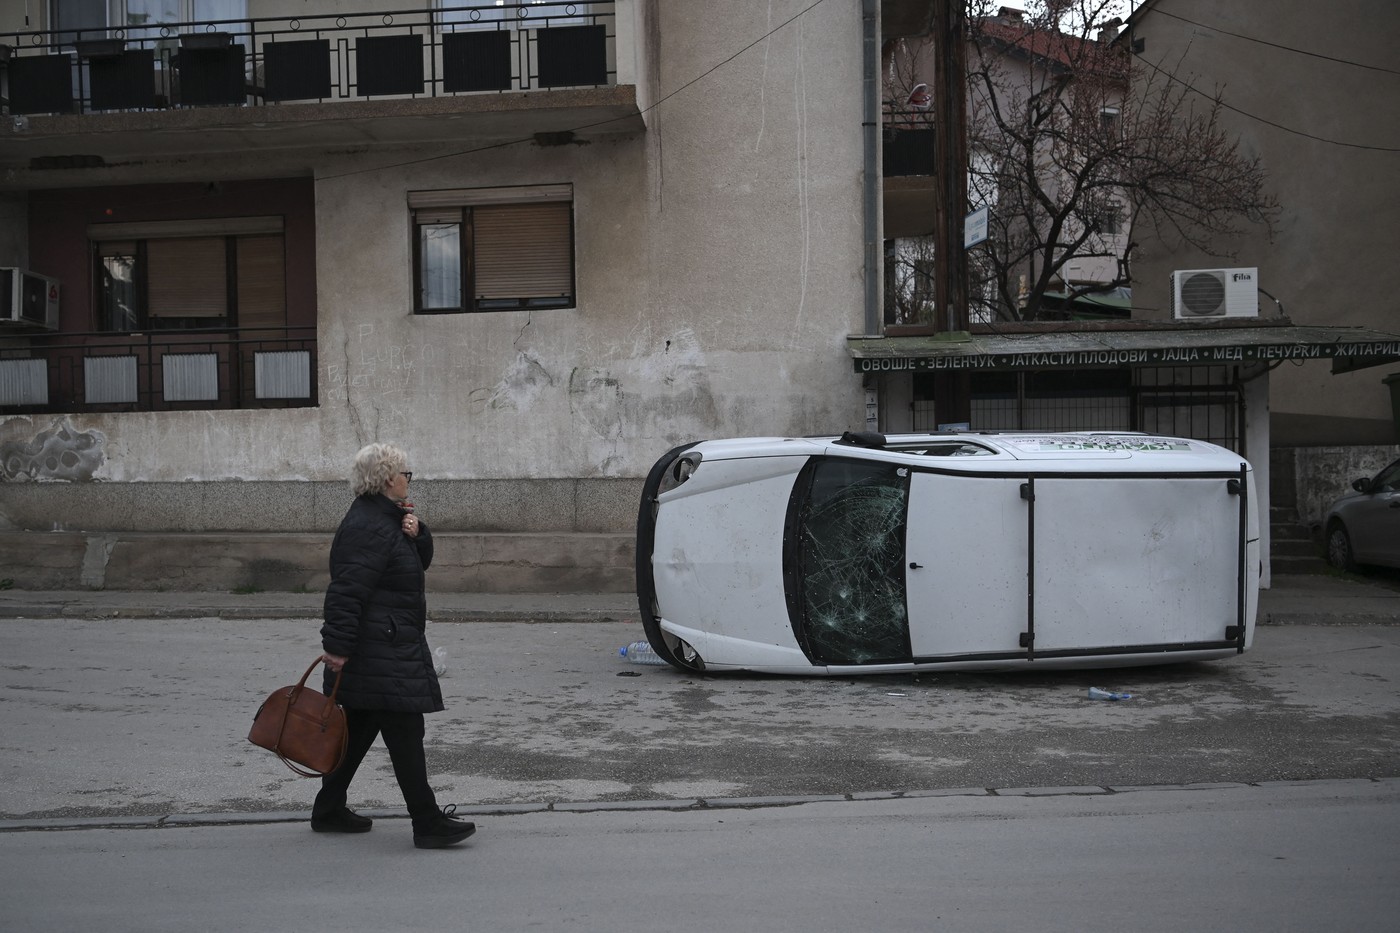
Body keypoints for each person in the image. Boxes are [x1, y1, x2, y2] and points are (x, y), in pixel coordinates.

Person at [311, 442, 475, 849]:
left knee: (362, 728)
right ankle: (427, 822)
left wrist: (420, 535)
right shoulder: (367, 526)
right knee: (405, 730)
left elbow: (414, 565)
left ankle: (328, 809)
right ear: (388, 480)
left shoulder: (391, 518)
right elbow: (346, 591)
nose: (408, 479)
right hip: (379, 649)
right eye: (405, 473)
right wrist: (336, 648)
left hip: (388, 644)